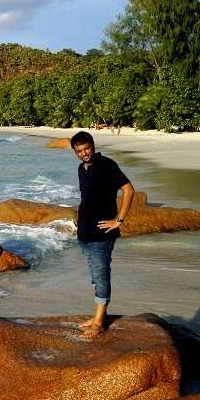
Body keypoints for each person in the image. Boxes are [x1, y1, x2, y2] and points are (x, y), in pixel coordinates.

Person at [70, 131, 134, 338]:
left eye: (86, 149)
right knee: (95, 277)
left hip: (102, 233)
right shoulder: (82, 169)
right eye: (79, 151)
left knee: (101, 275)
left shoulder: (106, 165)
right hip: (85, 233)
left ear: (93, 146)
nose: (84, 154)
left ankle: (99, 321)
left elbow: (128, 190)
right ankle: (98, 316)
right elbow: (87, 198)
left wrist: (119, 220)